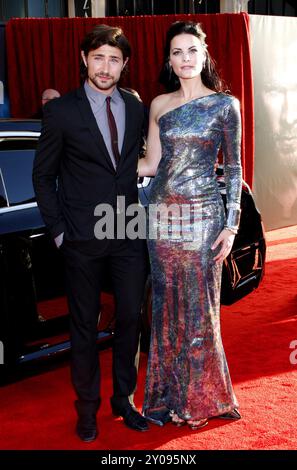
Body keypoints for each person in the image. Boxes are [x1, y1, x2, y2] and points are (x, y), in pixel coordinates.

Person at [33, 24, 148, 442]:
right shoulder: (62, 111)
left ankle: (124, 400)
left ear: (124, 65)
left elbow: (135, 165)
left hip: (128, 230)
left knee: (132, 319)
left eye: (114, 59)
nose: (105, 67)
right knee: (83, 324)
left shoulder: (135, 107)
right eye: (98, 57)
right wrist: (60, 231)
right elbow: (43, 176)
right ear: (84, 59)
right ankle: (86, 410)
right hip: (81, 236)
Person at [138, 21, 242, 429]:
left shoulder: (224, 105)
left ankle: (201, 399)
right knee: (165, 309)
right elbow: (150, 164)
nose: (184, 59)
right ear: (169, 59)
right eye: (177, 52)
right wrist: (97, 162)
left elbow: (233, 169)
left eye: (191, 51)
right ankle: (166, 397)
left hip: (203, 218)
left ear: (204, 55)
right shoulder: (159, 105)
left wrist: (231, 225)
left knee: (200, 310)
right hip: (163, 219)